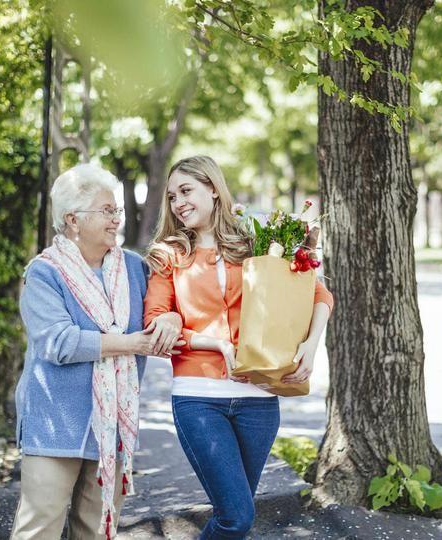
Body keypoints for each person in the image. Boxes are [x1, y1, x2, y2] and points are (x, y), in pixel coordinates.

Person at [144, 156, 334, 539]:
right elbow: (156, 323)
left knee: (235, 515)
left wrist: (312, 347)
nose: (178, 203)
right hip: (199, 398)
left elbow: (317, 293)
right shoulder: (169, 255)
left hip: (259, 399)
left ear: (213, 188)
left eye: (186, 191)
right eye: (172, 197)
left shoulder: (256, 243)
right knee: (237, 517)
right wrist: (214, 343)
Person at [11, 163, 170, 539]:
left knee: (98, 531)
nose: (116, 219)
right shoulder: (44, 273)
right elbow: (58, 341)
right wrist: (130, 344)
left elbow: (166, 303)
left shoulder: (134, 268)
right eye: (107, 211)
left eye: (116, 211)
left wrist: (172, 321)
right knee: (39, 530)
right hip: (55, 425)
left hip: (110, 426)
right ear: (72, 220)